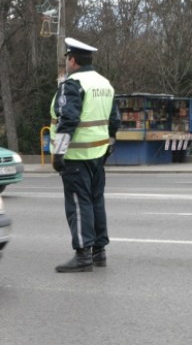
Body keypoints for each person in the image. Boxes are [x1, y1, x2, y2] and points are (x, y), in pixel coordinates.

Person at [50, 37, 121, 273]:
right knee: (96, 201)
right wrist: (109, 145)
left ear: (73, 60)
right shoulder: (105, 83)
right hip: (98, 153)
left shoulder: (73, 84)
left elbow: (67, 119)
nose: (67, 65)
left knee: (79, 204)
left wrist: (58, 153)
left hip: (77, 155)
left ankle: (82, 255)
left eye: (67, 60)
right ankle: (99, 251)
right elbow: (114, 120)